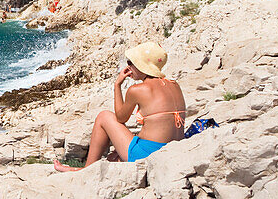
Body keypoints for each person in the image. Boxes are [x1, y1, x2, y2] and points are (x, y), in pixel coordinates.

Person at [54, 42, 186, 171]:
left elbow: (120, 118)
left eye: (131, 63)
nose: (128, 67)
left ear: (142, 66)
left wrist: (117, 85)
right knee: (113, 158)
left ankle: (87, 169)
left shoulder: (138, 89)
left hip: (149, 154)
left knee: (104, 116)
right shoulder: (174, 85)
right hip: (172, 150)